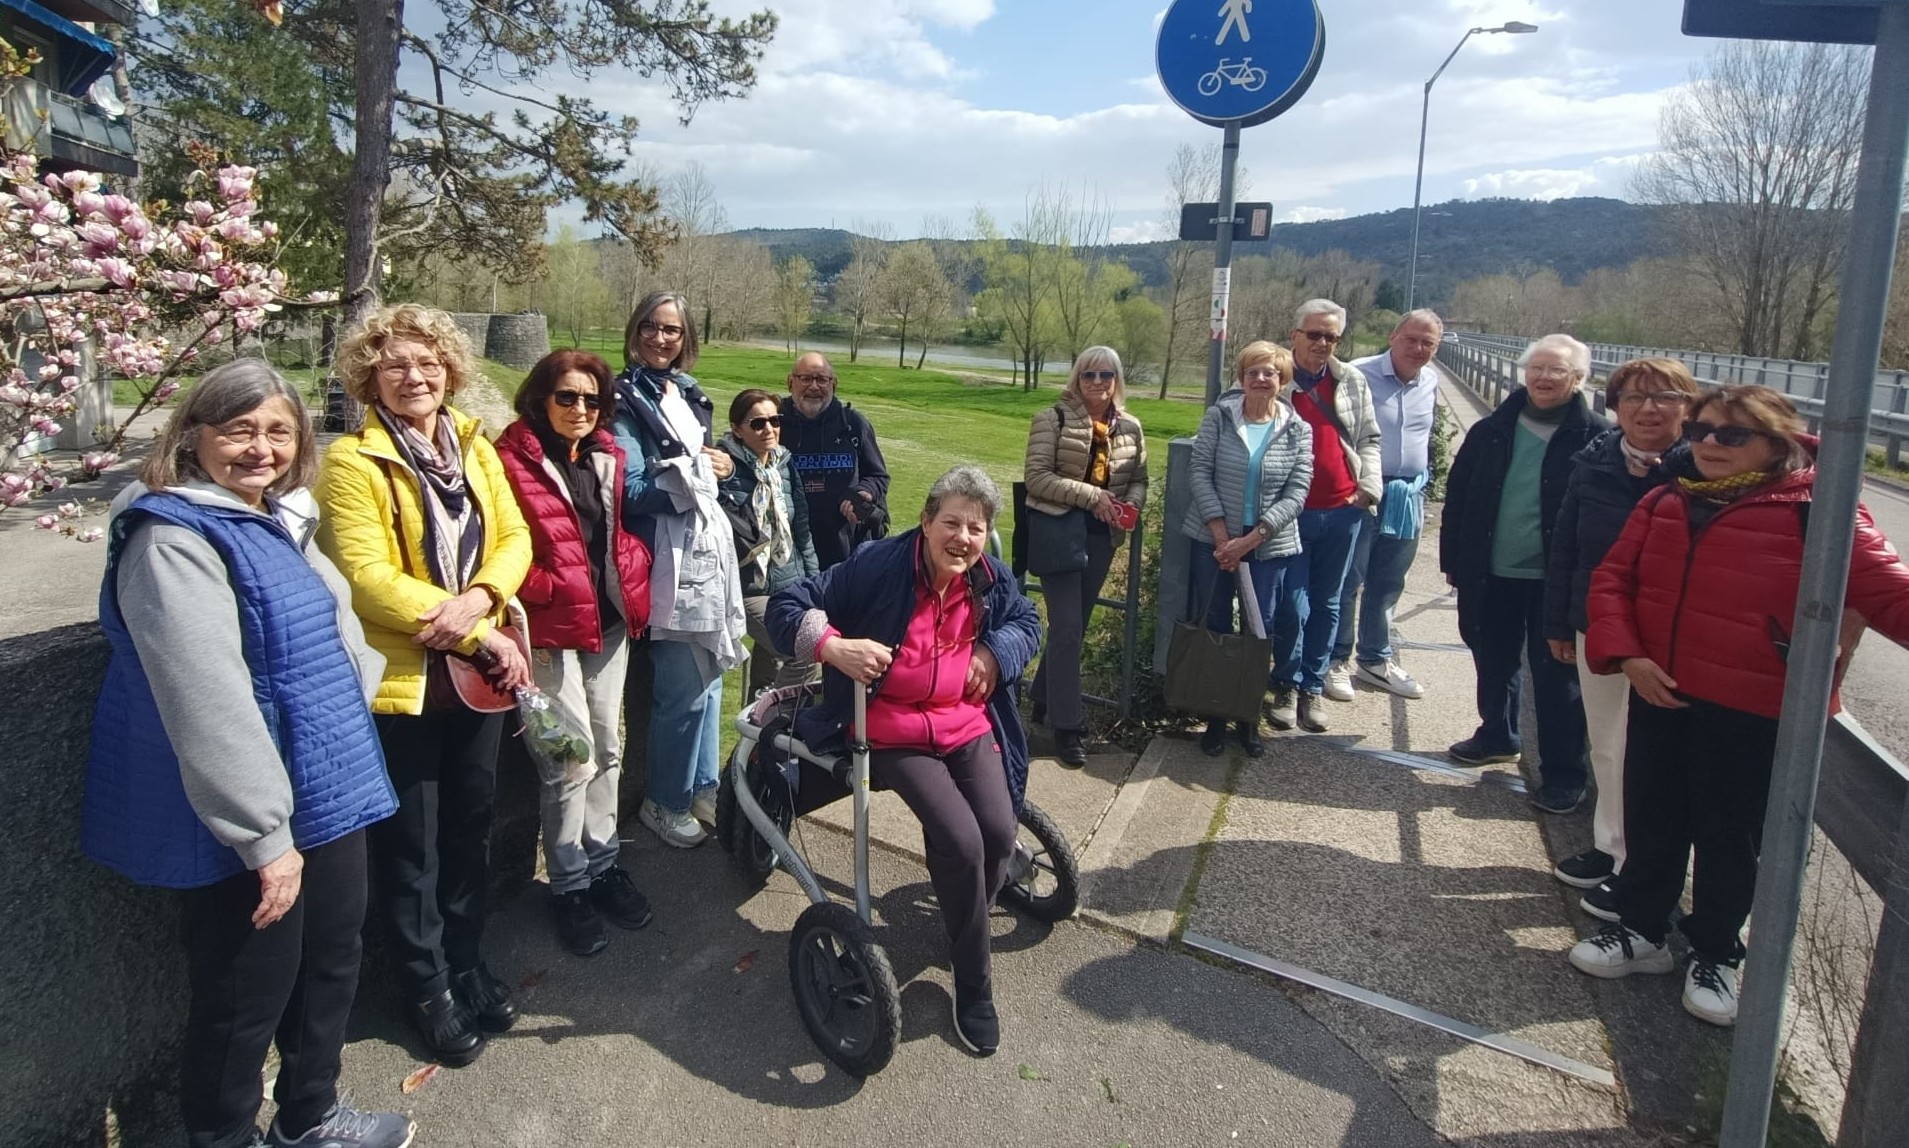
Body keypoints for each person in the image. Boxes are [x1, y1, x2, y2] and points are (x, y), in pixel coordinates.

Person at [84, 360, 414, 1148]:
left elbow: (333, 631)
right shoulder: (171, 536)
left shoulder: (270, 516)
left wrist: (346, 697)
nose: (260, 448)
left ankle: (308, 1117)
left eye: (277, 430)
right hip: (246, 816)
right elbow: (206, 699)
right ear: (193, 436)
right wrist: (265, 837)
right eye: (238, 430)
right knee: (245, 999)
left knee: (332, 959)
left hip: (327, 783)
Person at [1570, 385, 1909, 1026]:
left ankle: (1716, 953)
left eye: (1731, 435)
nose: (1707, 444)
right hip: (1661, 693)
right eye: (1699, 430)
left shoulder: (1819, 511)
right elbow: (1614, 579)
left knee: (1732, 836)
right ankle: (1641, 931)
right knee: (1654, 817)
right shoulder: (1666, 501)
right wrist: (1629, 656)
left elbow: (1894, 597)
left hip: (1755, 709)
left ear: (1776, 442)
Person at [316, 304, 532, 1067]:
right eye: (397, 363)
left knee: (469, 828)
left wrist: (482, 600)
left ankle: (467, 961)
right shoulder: (350, 462)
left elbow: (513, 537)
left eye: (430, 362)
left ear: (452, 371)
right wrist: (479, 629)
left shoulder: (475, 447)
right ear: (369, 375)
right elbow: (369, 579)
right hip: (402, 683)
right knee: (410, 846)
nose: (416, 375)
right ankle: (424, 986)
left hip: (476, 674)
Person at [767, 466, 1043, 1057]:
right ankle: (974, 986)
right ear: (925, 521)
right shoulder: (880, 565)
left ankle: (965, 919)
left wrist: (997, 654)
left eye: (976, 527)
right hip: (891, 730)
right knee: (962, 842)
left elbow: (1027, 623)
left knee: (998, 832)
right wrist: (833, 647)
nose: (963, 538)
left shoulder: (989, 578)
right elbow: (791, 602)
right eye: (951, 523)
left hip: (964, 722)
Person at [495, 349, 657, 958]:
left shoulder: (607, 454)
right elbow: (499, 543)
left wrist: (629, 567)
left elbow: (611, 533)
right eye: (566, 397)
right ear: (540, 399)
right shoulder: (510, 458)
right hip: (547, 632)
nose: (580, 409)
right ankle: (568, 885)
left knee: (608, 747)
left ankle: (603, 863)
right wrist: (547, 588)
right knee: (567, 760)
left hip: (607, 626)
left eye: (591, 399)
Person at [1542, 358, 1700, 920]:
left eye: (1665, 397)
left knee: (1658, 756)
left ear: (1688, 406)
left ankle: (1649, 868)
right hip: (1600, 627)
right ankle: (1613, 848)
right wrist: (1560, 621)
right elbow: (1567, 545)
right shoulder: (1595, 463)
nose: (1649, 408)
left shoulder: (1702, 472)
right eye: (1634, 398)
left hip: (1674, 639)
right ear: (1614, 408)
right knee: (1608, 743)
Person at [1440, 334, 1609, 813]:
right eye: (1537, 369)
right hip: (1491, 569)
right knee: (1491, 656)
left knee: (1557, 677)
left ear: (1578, 380)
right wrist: (1453, 559)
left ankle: (1562, 773)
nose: (1544, 379)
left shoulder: (1594, 436)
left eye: (1557, 371)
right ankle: (1498, 733)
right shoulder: (1494, 428)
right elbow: (1459, 495)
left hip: (1555, 581)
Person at [609, 290, 748, 849]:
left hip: (708, 554)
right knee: (683, 690)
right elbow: (631, 489)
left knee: (711, 682)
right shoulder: (623, 400)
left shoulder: (689, 393)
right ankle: (662, 801)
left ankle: (701, 785)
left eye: (672, 330)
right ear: (635, 329)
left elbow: (716, 476)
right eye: (651, 326)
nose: (661, 338)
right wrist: (699, 472)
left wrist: (726, 463)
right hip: (668, 561)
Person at [1181, 341, 1314, 758]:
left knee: (1260, 631)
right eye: (1253, 371)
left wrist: (1253, 538)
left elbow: (1297, 491)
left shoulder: (1297, 429)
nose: (1261, 379)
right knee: (1218, 626)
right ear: (1241, 377)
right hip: (1213, 543)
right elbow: (1199, 471)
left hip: (1267, 547)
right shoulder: (1219, 418)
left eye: (1270, 372)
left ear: (1282, 380)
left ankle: (1248, 719)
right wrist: (1223, 537)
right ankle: (1216, 718)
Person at [1022, 346, 1149, 767]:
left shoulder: (1130, 426)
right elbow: (1037, 477)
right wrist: (1093, 496)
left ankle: (1042, 697)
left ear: (1117, 380)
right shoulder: (1051, 419)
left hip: (1101, 538)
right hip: (1059, 533)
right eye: (1088, 375)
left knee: (1073, 627)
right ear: (1076, 378)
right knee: (1068, 627)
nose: (1097, 383)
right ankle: (1068, 726)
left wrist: (1128, 507)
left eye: (1106, 375)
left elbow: (1140, 479)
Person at [1269, 299, 1382, 735]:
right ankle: (1286, 683)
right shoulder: (1276, 379)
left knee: (1328, 602)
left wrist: (1367, 488)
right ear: (1294, 335)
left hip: (1342, 511)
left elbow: (1369, 437)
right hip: (1290, 512)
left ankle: (1312, 686)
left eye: (1330, 337)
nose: (1321, 344)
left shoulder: (1350, 380)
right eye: (1313, 334)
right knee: (1292, 604)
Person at [1332, 310, 1445, 701]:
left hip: (1406, 498)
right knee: (1348, 580)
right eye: (1411, 339)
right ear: (1393, 336)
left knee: (1388, 583)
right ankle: (1335, 660)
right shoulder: (1356, 374)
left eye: (1427, 343)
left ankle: (1376, 658)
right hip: (1360, 496)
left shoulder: (1431, 381)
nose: (1418, 348)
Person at [717, 386, 820, 697]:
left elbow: (801, 529)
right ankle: (771, 721)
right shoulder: (724, 469)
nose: (769, 430)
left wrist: (813, 583)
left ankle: (757, 743)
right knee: (804, 654)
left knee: (770, 671)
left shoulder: (783, 466)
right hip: (746, 589)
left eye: (774, 421)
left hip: (790, 584)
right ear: (736, 428)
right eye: (757, 423)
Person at [780, 350, 890, 568]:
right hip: (789, 553)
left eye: (822, 379)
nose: (814, 386)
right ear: (790, 382)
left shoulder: (853, 425)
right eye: (806, 378)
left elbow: (878, 475)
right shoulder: (774, 423)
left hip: (846, 552)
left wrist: (864, 491)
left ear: (834, 384)